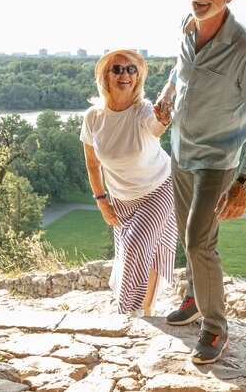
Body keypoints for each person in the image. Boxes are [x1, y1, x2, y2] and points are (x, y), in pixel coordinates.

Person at [155, 0, 246, 364]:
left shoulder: (245, 48)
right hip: (181, 152)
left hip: (218, 161)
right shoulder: (187, 28)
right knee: (193, 239)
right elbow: (178, 70)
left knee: (197, 241)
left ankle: (215, 328)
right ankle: (193, 299)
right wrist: (166, 96)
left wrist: (245, 182)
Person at [81, 49, 176, 317]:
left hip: (160, 188)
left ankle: (128, 313)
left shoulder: (144, 111)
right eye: (118, 69)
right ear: (105, 77)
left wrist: (164, 115)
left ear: (137, 78)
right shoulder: (93, 117)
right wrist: (102, 201)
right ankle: (146, 310)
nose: (125, 74)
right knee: (147, 250)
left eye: (131, 69)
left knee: (136, 245)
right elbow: (92, 163)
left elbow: (157, 124)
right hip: (122, 199)